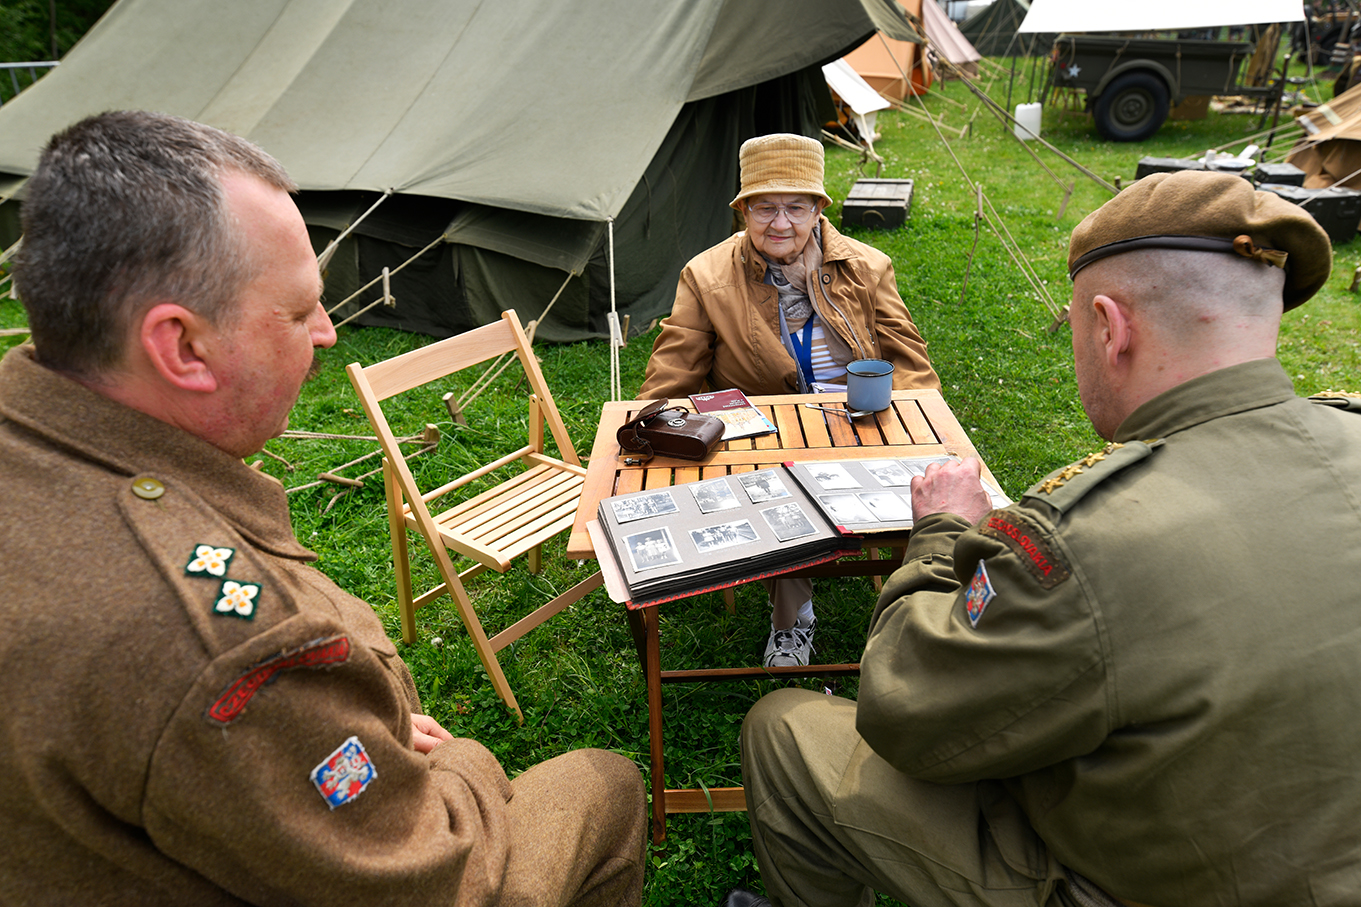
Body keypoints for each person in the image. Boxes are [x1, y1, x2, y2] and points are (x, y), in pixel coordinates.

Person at [0, 110, 645, 906]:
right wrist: (461, 762)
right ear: (182, 347)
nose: (330, 333)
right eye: (301, 309)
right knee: (602, 783)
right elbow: (427, 877)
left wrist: (309, 729)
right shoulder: (219, 640)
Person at [728, 169, 1361, 906]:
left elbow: (908, 711)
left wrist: (938, 534)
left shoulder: (1090, 537)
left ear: (1108, 327)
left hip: (1122, 883)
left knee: (784, 727)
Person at [640, 133, 940, 669]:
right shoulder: (706, 274)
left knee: (933, 494)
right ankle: (790, 622)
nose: (781, 224)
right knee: (780, 488)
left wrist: (927, 431)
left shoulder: (867, 266)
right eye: (765, 207)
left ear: (819, 210)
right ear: (743, 212)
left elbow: (908, 358)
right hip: (764, 435)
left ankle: (920, 611)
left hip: (859, 423)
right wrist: (645, 426)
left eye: (796, 207)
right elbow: (674, 367)